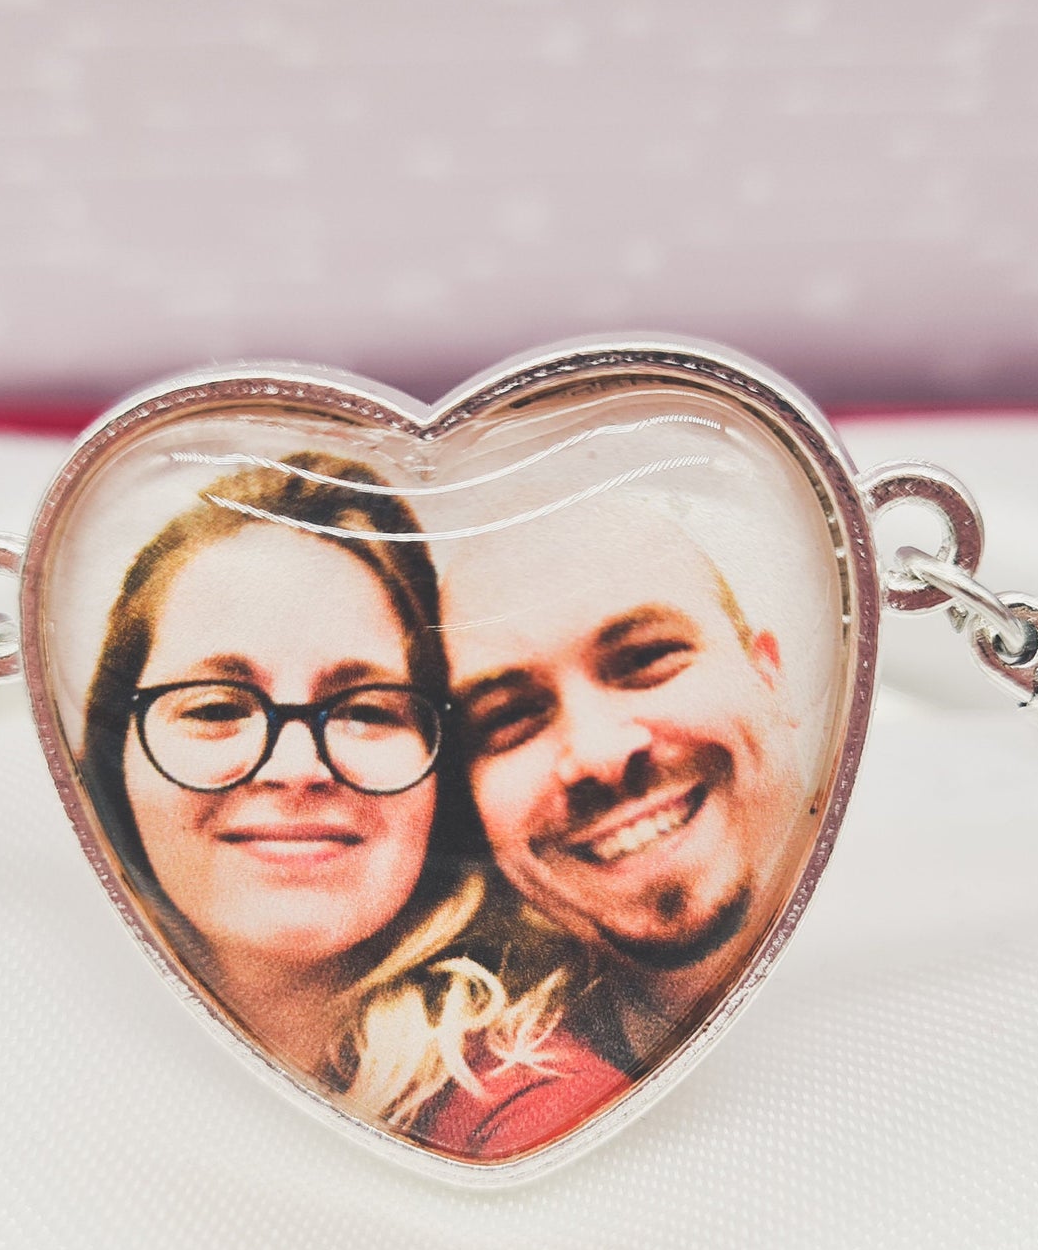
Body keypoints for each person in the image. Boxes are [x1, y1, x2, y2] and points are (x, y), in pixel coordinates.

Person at [78, 455, 629, 1161]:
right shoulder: (46, 1022)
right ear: (111, 755)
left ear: (444, 777)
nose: (295, 768)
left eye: (366, 710)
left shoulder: (529, 1107)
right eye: (217, 706)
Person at [442, 502, 808, 1075]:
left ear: (769, 675)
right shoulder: (472, 1092)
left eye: (647, 659)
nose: (599, 755)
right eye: (510, 717)